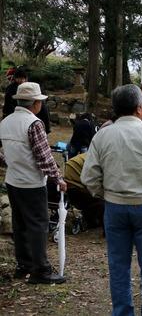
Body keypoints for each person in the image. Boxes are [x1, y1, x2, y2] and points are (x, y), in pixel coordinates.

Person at [81, 84, 142, 316]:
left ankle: (123, 312)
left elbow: (89, 176)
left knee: (118, 266)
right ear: (139, 108)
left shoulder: (102, 135)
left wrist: (106, 195)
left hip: (115, 207)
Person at [0, 82, 67, 284]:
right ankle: (41, 270)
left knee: (20, 224)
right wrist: (59, 178)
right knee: (38, 225)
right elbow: (44, 158)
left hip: (12, 180)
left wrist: (11, 161)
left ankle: (24, 265)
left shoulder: (5, 122)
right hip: (31, 183)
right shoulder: (34, 124)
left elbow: (3, 153)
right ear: (35, 103)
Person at [3, 68, 51, 133]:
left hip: (33, 115)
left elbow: (43, 111)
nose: (22, 80)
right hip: (16, 115)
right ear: (15, 78)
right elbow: (7, 106)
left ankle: (46, 128)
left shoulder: (31, 87)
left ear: (26, 78)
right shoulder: (10, 89)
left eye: (23, 78)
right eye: (19, 78)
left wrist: (46, 128)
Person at [64, 153, 105, 228]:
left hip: (70, 182)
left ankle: (91, 219)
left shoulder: (91, 156)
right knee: (101, 199)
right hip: (77, 186)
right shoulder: (98, 160)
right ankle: (94, 221)